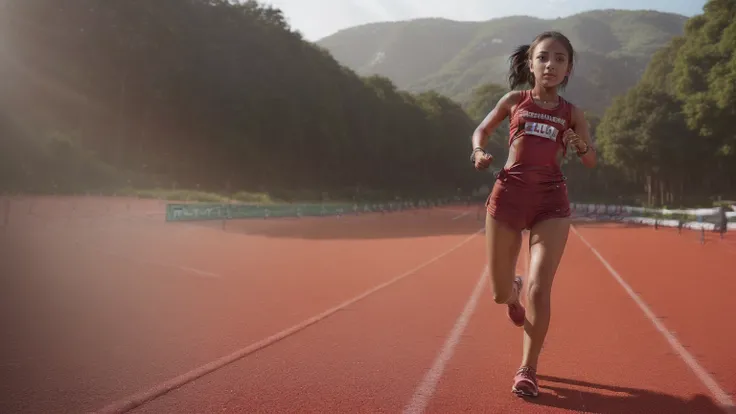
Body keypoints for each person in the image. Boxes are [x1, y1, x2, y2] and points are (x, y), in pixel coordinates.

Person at [469, 31, 597, 398]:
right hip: (507, 198)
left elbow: (590, 161)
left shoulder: (572, 114)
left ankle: (528, 368)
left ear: (569, 67)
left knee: (542, 287)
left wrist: (582, 144)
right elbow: (482, 129)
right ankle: (512, 295)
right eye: (543, 57)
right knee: (497, 293)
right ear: (531, 63)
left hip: (550, 203)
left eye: (560, 59)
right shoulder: (515, 100)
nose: (551, 65)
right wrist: (478, 152)